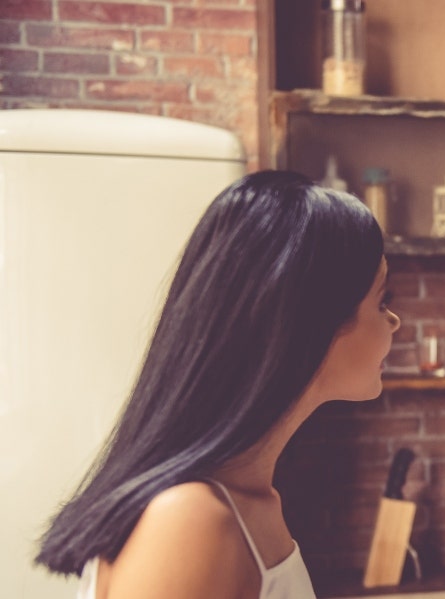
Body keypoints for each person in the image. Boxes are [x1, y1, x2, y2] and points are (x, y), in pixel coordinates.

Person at [36, 170, 401, 598]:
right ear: (309, 323)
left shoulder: (251, 502)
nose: (394, 321)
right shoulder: (190, 520)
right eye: (380, 300)